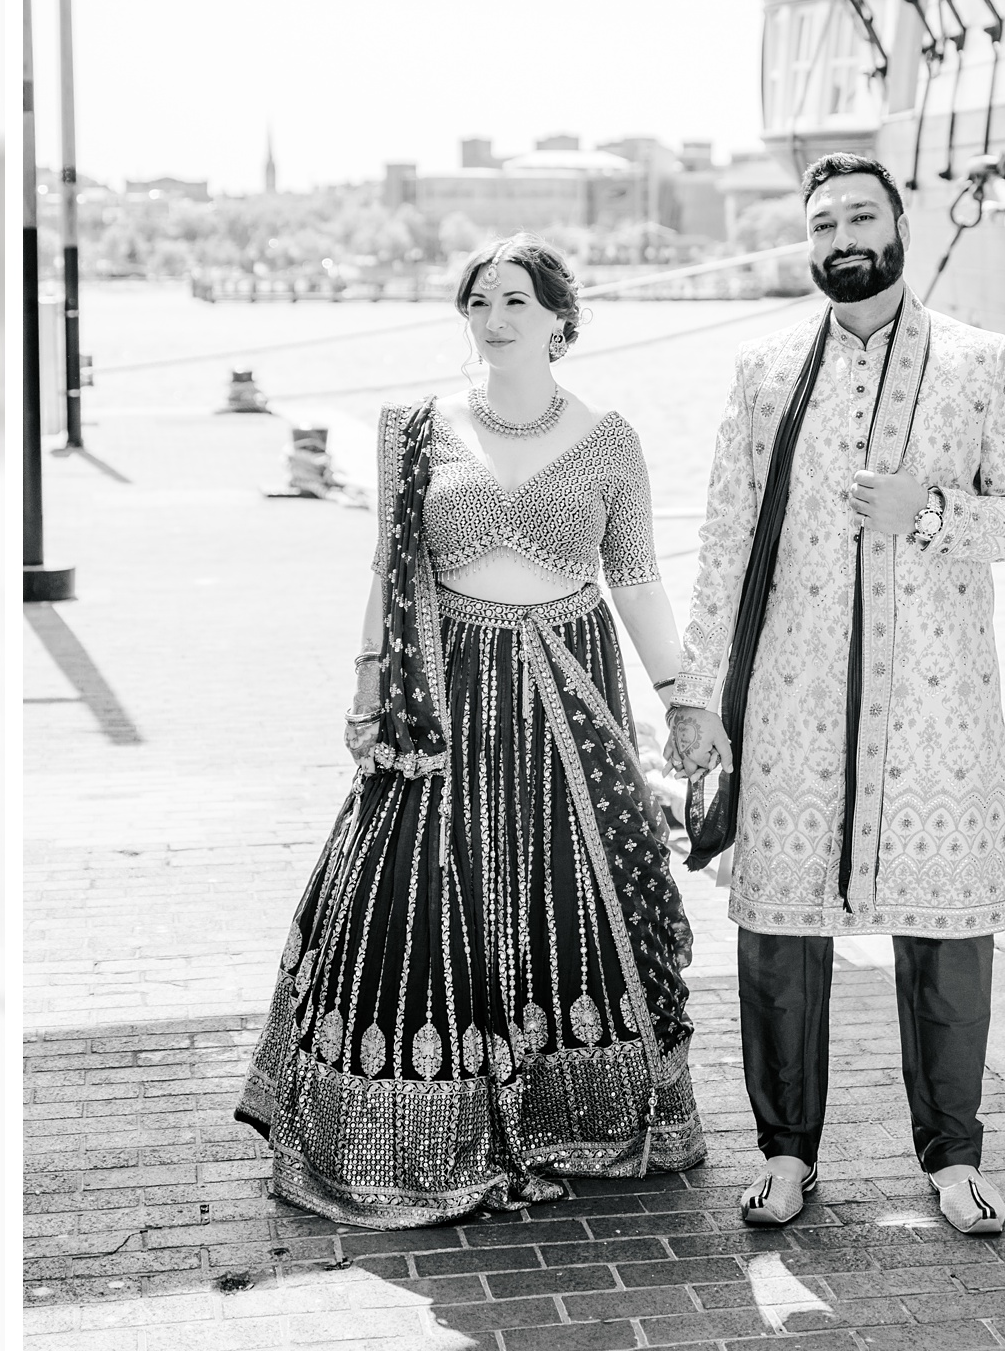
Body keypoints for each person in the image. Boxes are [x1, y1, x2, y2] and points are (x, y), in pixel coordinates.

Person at [238, 233, 704, 1226]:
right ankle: (412, 1132)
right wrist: (368, 692)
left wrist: (683, 696)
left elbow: (636, 577)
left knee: (581, 899)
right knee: (413, 900)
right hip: (441, 700)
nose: (496, 318)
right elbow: (386, 572)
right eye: (481, 300)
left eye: (518, 302)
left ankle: (577, 1117)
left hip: (569, 701)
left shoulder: (609, 436)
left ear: (559, 320)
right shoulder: (417, 429)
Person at [665, 151, 1005, 1236]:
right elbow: (725, 541)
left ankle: (956, 1163)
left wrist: (931, 508)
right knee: (779, 937)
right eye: (825, 219)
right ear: (811, 241)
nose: (843, 234)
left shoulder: (980, 362)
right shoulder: (764, 368)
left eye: (861, 215)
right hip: (791, 704)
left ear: (900, 225)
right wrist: (697, 696)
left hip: (936, 709)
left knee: (946, 939)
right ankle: (787, 1157)